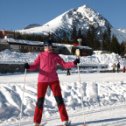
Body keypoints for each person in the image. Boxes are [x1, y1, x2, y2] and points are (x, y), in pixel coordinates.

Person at [24, 40, 80, 126]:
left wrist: (74, 63)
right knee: (40, 102)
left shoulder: (55, 56)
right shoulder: (41, 55)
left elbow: (64, 64)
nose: (48, 47)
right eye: (46, 46)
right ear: (44, 47)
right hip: (42, 81)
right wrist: (28, 67)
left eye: (50, 46)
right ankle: (36, 122)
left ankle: (65, 120)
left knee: (59, 100)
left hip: (54, 80)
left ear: (51, 47)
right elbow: (34, 65)